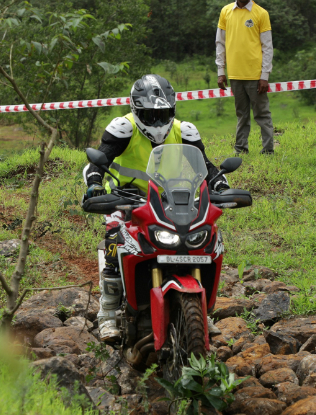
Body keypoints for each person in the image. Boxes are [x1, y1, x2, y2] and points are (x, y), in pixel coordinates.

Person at [82, 74, 229, 342]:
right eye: (150, 115)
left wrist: (220, 184)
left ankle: (201, 313)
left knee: (199, 245)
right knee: (116, 244)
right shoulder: (123, 128)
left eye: (163, 114)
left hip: (170, 200)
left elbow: (206, 166)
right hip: (125, 200)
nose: (158, 122)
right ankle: (108, 313)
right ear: (136, 110)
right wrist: (95, 186)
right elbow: (97, 164)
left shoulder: (184, 131)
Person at [215, 0, 274, 155]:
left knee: (262, 113)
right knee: (241, 113)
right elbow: (220, 43)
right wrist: (221, 70)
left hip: (255, 75)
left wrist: (264, 75)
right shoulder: (226, 11)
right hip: (234, 74)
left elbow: (267, 46)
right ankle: (241, 148)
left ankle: (268, 150)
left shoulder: (261, 13)